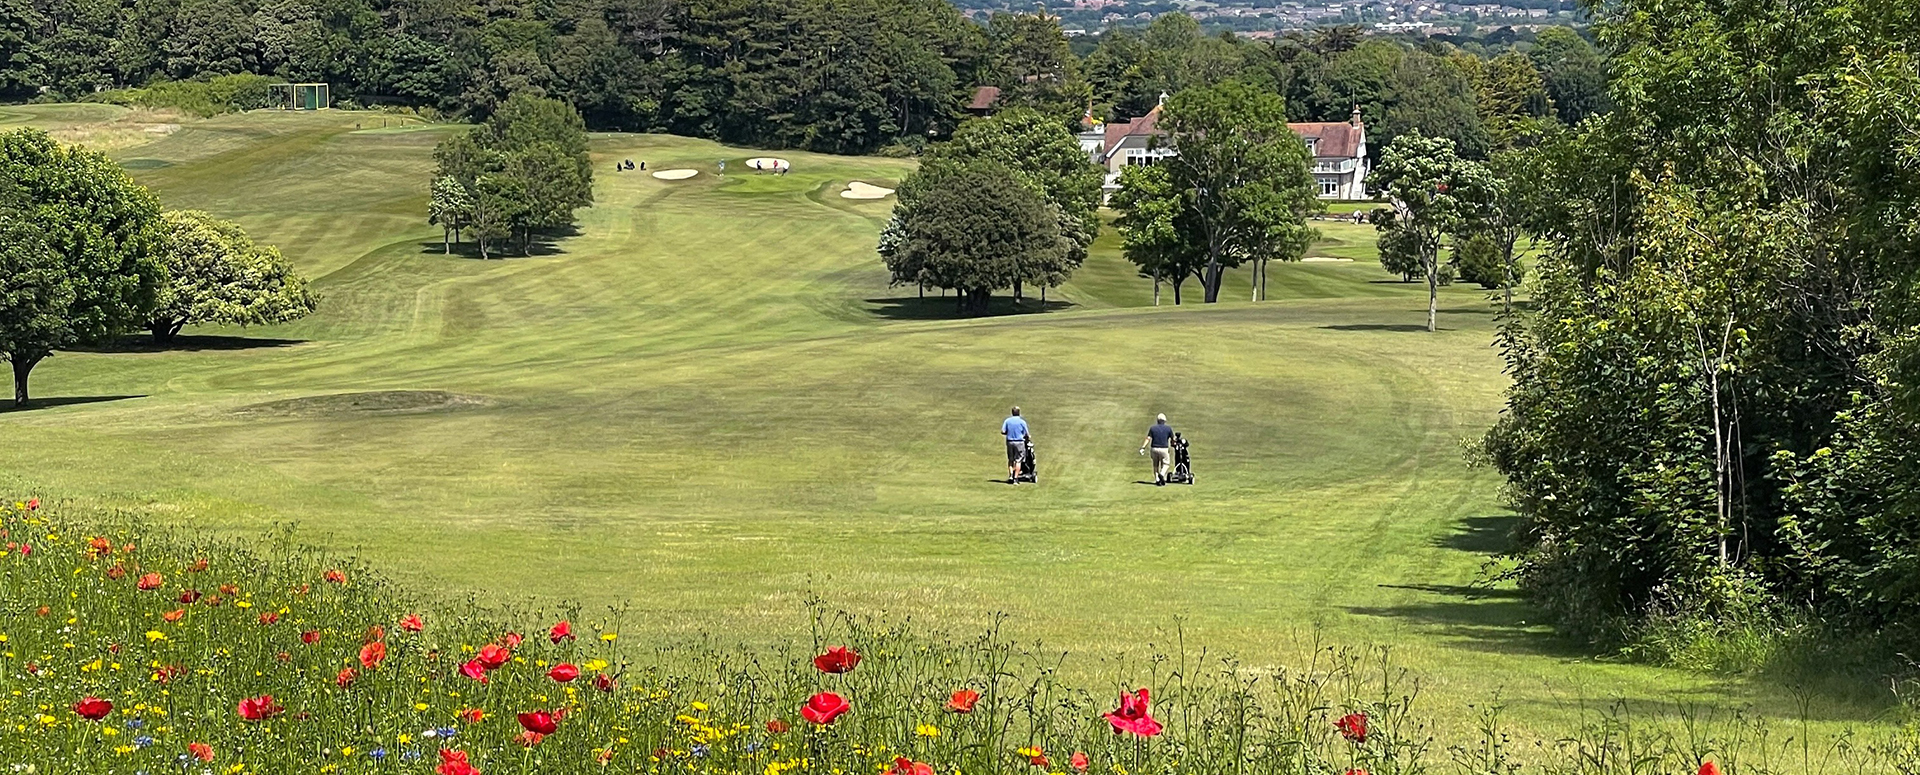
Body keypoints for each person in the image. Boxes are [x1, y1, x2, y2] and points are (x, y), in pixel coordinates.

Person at [1140, 413, 1174, 485]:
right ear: (1164, 421)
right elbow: (1173, 439)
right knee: (1166, 464)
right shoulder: (1168, 428)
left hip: (1154, 448)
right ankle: (1161, 474)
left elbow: (1148, 438)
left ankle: (1157, 480)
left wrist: (1143, 447)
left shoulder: (1152, 428)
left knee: (1155, 465)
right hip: (1164, 449)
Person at [1001, 406, 1030, 484]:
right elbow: (1026, 434)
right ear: (1019, 413)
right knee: (1018, 460)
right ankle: (1015, 478)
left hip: (1010, 441)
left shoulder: (1007, 421)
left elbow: (1003, 431)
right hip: (1019, 442)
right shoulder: (1022, 422)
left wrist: (1009, 433)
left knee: (1010, 460)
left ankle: (1010, 476)